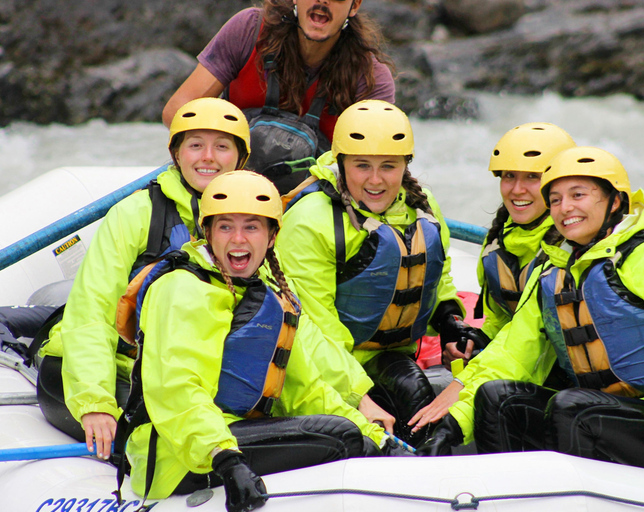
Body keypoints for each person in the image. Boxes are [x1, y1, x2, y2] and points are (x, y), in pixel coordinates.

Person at [420, 146, 644, 490]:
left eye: (578, 195)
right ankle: (508, 497)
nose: (565, 208)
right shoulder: (551, 270)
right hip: (600, 412)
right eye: (555, 199)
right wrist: (454, 425)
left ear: (615, 201)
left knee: (571, 406)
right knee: (498, 397)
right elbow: (511, 356)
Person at [117, 171, 388, 508]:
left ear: (272, 237)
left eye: (252, 227)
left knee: (354, 433)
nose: (238, 240)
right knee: (340, 437)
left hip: (234, 437)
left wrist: (378, 438)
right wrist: (227, 458)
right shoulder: (182, 289)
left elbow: (305, 389)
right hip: (178, 456)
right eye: (226, 226)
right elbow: (177, 387)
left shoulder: (267, 292)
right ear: (208, 232)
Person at [36, 98, 251, 460]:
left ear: (240, 158)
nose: (208, 157)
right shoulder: (136, 214)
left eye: (222, 146)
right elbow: (92, 310)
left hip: (186, 378)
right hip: (116, 374)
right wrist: (96, 400)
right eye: (196, 145)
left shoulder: (252, 222)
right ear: (177, 153)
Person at [276, 99, 484, 447]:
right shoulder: (311, 221)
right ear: (341, 164)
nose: (376, 180)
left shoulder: (422, 205)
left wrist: (449, 323)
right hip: (330, 364)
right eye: (362, 166)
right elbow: (317, 330)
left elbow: (438, 277)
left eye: (389, 166)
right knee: (410, 390)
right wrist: (358, 397)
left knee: (420, 396)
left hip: (395, 354)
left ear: (406, 165)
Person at [408, 122, 576, 434]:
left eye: (532, 177)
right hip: (526, 365)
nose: (516, 189)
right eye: (509, 176)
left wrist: (460, 389)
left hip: (568, 382)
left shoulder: (567, 252)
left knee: (491, 399)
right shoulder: (501, 239)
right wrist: (477, 340)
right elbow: (502, 321)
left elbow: (526, 342)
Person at [162, 0, 395, 141]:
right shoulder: (248, 30)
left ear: (354, 6)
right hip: (233, 180)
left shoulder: (371, 79)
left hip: (314, 197)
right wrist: (225, 149)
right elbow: (176, 113)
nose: (323, 1)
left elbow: (373, 165)